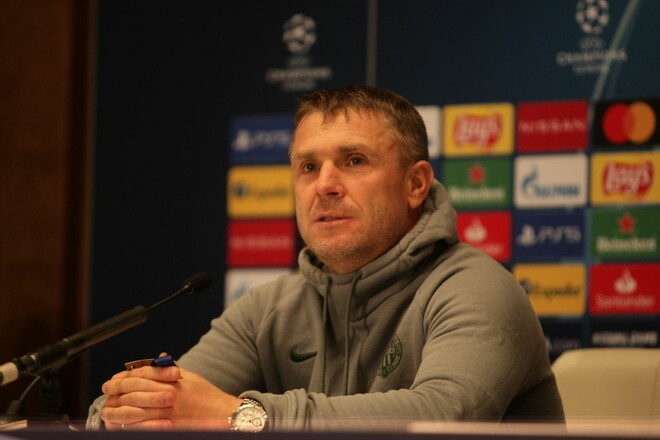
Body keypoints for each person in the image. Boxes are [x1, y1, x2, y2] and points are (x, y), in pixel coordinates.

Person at [87, 85, 564, 431]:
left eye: (354, 161)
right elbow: (160, 403)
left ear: (415, 184)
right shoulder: (269, 308)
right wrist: (127, 411)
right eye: (308, 166)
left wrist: (240, 416)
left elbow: (442, 417)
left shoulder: (476, 288)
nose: (325, 185)